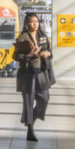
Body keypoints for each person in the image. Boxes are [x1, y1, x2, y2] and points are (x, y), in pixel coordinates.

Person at [15, 12, 51, 141]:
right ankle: (30, 130)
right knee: (29, 101)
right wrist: (29, 56)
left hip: (41, 71)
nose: (35, 24)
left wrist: (47, 53)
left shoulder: (43, 36)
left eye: (36, 21)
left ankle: (31, 120)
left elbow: (50, 51)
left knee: (44, 98)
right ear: (27, 23)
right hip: (27, 73)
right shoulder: (23, 37)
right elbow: (16, 56)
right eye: (32, 21)